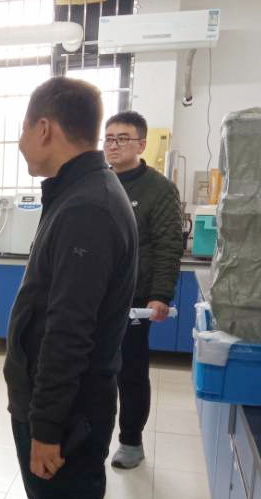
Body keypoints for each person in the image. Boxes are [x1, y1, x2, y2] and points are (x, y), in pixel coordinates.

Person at [2, 77, 138, 499]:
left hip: (68, 415)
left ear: (44, 128)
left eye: (22, 130)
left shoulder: (88, 208)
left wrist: (47, 429)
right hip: (61, 407)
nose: (19, 142)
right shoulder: (77, 193)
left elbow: (68, 334)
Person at [104, 111, 183, 469]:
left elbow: (168, 245)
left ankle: (131, 442)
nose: (113, 145)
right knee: (91, 370)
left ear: (141, 144)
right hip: (95, 296)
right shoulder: (99, 182)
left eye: (122, 138)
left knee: (130, 372)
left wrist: (160, 295)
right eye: (109, 138)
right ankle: (92, 436)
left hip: (134, 299)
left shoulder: (158, 189)